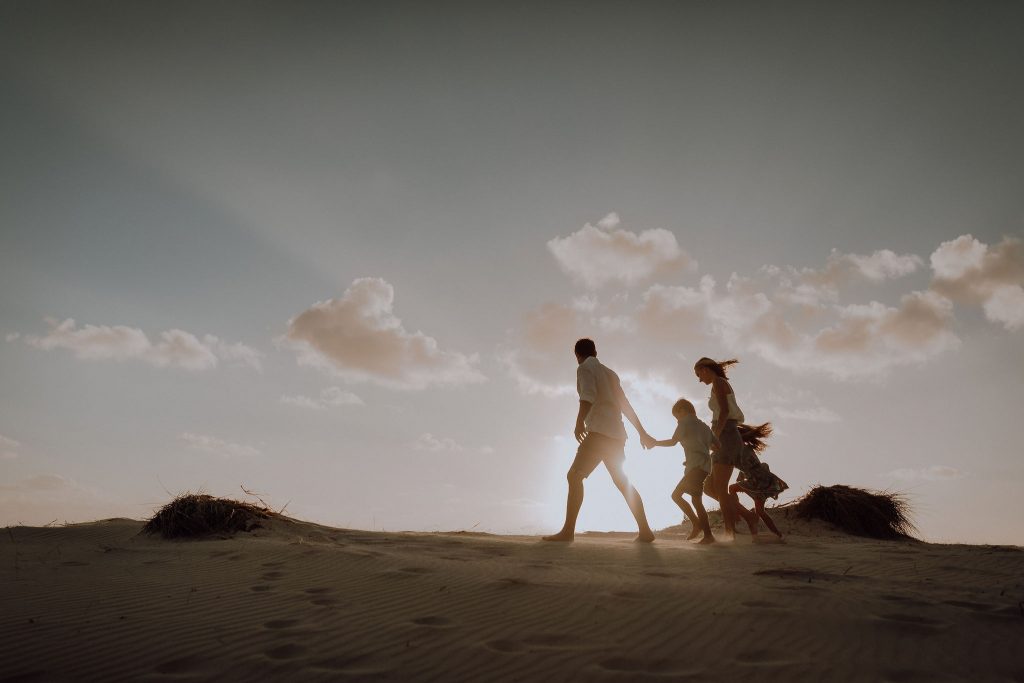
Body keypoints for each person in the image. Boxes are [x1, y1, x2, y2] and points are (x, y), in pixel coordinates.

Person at [544, 338, 657, 543]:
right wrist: (642, 432)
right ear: (595, 351)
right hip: (617, 435)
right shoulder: (610, 373)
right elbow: (625, 405)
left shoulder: (584, 368)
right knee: (623, 482)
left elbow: (587, 396)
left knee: (574, 476)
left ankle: (568, 531)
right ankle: (646, 531)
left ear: (577, 355)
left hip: (599, 433)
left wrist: (579, 423)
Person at [693, 356, 757, 540]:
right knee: (709, 488)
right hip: (724, 434)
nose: (699, 379)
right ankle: (749, 516)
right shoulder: (717, 383)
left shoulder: (719, 382)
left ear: (705, 369)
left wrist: (715, 436)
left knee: (720, 488)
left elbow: (725, 412)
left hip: (726, 435)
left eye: (699, 374)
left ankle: (730, 532)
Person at [649, 398, 717, 544]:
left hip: (695, 467)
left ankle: (701, 528)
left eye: (676, 416)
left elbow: (673, 442)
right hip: (704, 467)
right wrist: (700, 452)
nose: (677, 420)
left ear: (683, 410)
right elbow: (717, 446)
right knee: (695, 499)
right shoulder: (704, 426)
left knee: (676, 495)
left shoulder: (684, 423)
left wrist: (655, 443)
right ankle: (705, 532)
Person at [728, 423, 789, 540]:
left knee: (732, 488)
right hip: (762, 480)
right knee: (760, 511)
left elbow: (745, 465)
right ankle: (777, 535)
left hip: (757, 480)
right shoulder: (745, 448)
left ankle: (740, 514)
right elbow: (746, 467)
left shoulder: (741, 449)